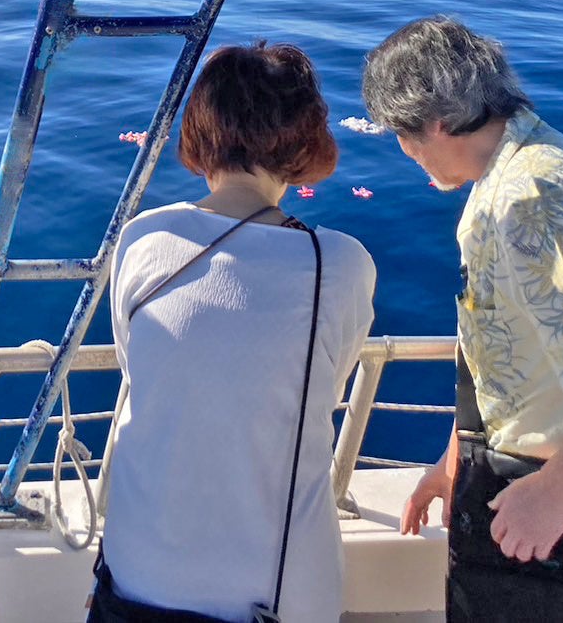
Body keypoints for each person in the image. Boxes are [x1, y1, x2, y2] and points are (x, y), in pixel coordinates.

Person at [362, 16, 563, 622]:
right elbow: (512, 357)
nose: (403, 151)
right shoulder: (525, 163)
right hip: (527, 485)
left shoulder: (533, 198)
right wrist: (453, 462)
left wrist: (557, 491)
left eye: (400, 135)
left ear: (433, 121)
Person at [95, 41, 375, 623]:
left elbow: (135, 360)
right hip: (276, 598)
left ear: (199, 132)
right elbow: (326, 379)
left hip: (133, 575)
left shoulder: (144, 237)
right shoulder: (340, 266)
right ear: (305, 140)